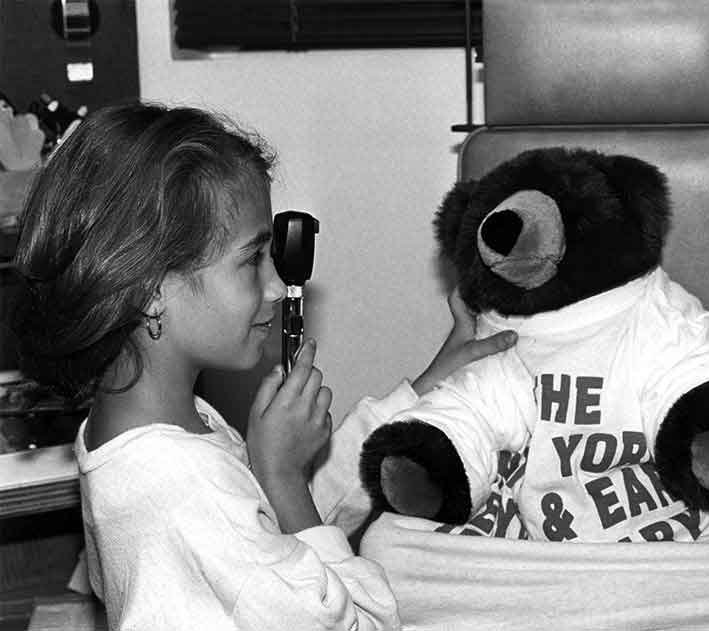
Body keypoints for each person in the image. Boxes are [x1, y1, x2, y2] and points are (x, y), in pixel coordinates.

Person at [12, 101, 516, 631]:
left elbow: (271, 527)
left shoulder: (134, 427)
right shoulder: (186, 484)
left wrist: (427, 386)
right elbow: (359, 620)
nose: (278, 286)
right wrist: (281, 474)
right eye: (252, 260)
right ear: (151, 291)